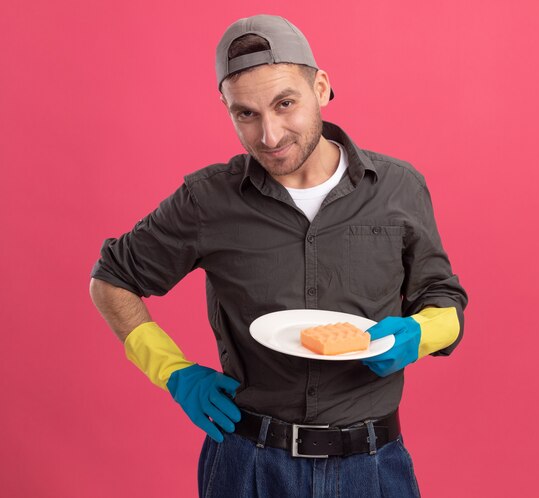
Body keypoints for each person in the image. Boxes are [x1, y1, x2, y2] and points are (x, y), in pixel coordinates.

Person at [89, 14, 468, 498]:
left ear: (322, 88)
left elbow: (444, 297)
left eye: (285, 103)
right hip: (246, 464)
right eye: (245, 114)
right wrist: (173, 372)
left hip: (372, 467)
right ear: (225, 108)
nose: (269, 136)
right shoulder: (207, 200)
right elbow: (111, 278)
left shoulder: (399, 188)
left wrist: (420, 332)